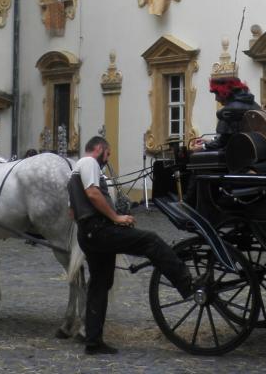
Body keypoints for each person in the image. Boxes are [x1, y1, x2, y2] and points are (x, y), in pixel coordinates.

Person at [68, 136, 197, 355]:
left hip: (88, 232)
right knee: (151, 240)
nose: (106, 160)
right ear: (99, 149)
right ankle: (186, 283)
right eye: (107, 154)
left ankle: (93, 340)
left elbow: (72, 211)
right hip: (100, 230)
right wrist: (116, 218)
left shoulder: (73, 173)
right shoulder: (89, 163)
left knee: (100, 284)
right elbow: (92, 193)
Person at [192, 77, 261, 151]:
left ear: (224, 93)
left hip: (236, 156)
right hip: (256, 152)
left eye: (216, 94)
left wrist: (202, 147)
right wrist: (210, 141)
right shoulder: (255, 105)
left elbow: (223, 142)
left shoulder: (228, 111)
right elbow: (230, 136)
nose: (216, 99)